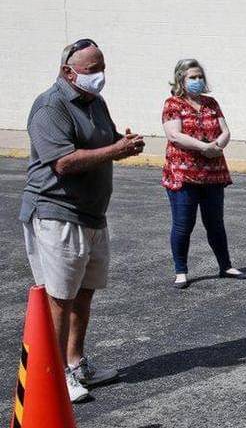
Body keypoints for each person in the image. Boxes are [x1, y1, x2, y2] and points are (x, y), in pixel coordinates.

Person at [20, 38, 145, 402]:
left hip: (93, 215)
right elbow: (63, 162)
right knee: (60, 298)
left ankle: (76, 363)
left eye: (102, 67)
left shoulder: (96, 102)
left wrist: (124, 143)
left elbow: (103, 142)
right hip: (57, 213)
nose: (100, 75)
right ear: (68, 71)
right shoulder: (50, 107)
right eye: (92, 70)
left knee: (84, 292)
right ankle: (56, 373)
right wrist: (114, 150)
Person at [161, 59, 246, 289]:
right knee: (183, 224)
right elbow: (174, 135)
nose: (198, 81)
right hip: (183, 174)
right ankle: (181, 271)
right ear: (181, 79)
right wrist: (204, 148)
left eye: (200, 77)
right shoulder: (173, 104)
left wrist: (217, 145)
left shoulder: (211, 103)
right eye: (192, 77)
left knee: (215, 223)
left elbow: (225, 130)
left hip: (213, 173)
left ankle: (225, 266)